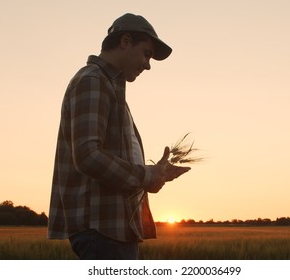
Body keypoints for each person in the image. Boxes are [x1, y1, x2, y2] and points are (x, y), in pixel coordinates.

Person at [47, 13, 191, 260]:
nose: (148, 65)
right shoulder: (93, 81)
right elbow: (87, 156)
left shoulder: (109, 87)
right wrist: (147, 175)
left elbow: (107, 157)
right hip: (102, 230)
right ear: (125, 41)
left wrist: (156, 175)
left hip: (113, 229)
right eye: (146, 53)